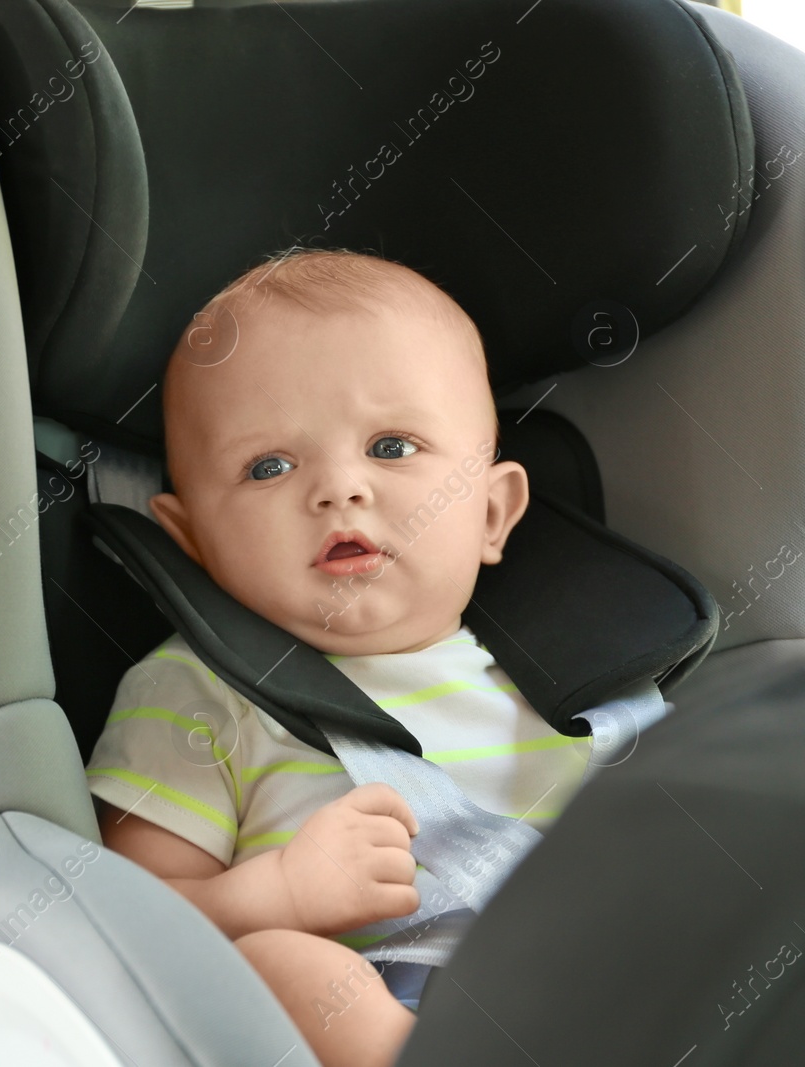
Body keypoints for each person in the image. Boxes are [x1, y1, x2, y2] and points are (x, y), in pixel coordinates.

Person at [85, 246, 576, 1067]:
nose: (339, 487)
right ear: (193, 539)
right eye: (268, 465)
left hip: (596, 990)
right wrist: (282, 892)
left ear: (492, 513)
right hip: (386, 1003)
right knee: (280, 968)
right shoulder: (197, 693)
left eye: (391, 446)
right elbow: (129, 923)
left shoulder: (576, 678)